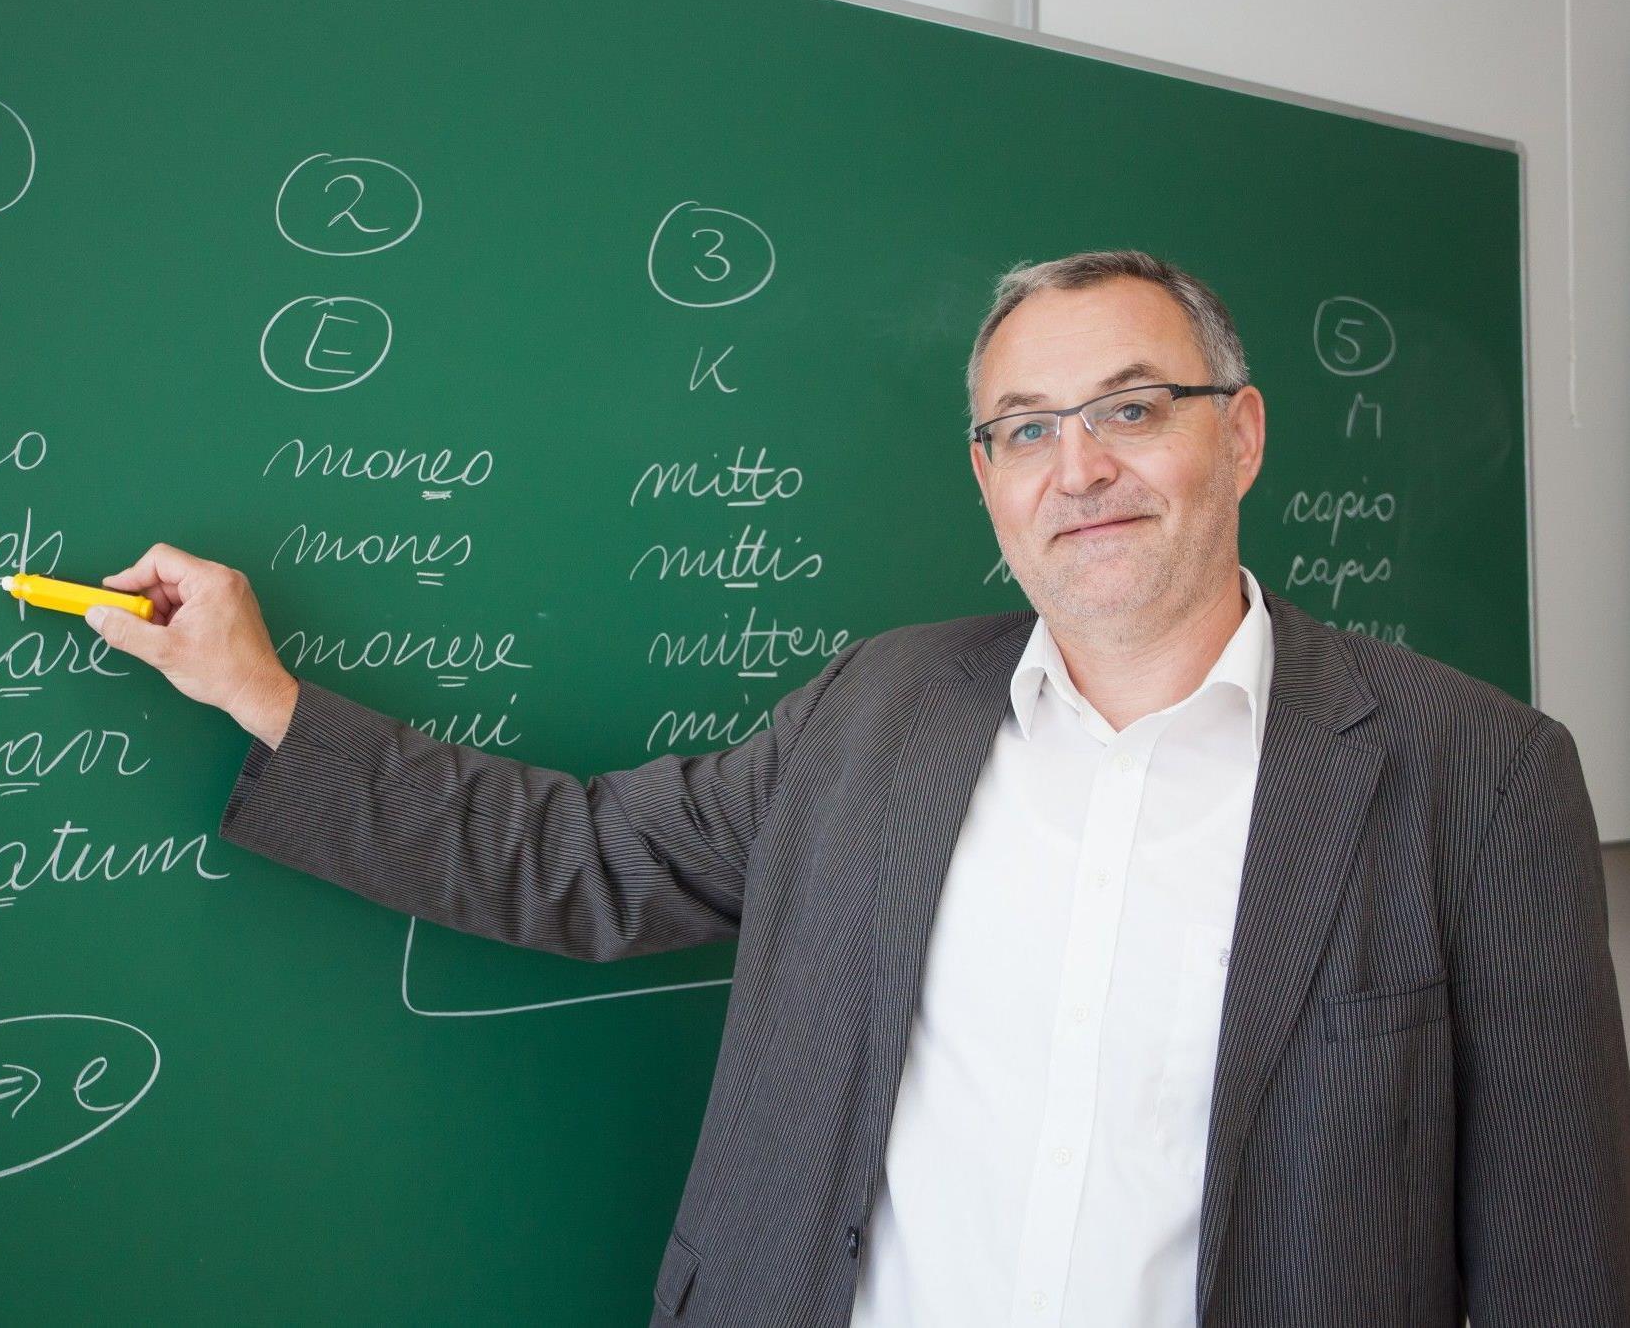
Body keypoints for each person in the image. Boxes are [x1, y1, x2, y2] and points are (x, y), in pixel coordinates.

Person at [86, 249, 1630, 1327]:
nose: (1075, 468)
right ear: (986, 478)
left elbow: (1565, 1268)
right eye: (1025, 430)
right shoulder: (877, 708)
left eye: (1128, 409)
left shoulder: (1476, 774)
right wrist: (259, 692)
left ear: (1240, 433)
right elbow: (577, 857)